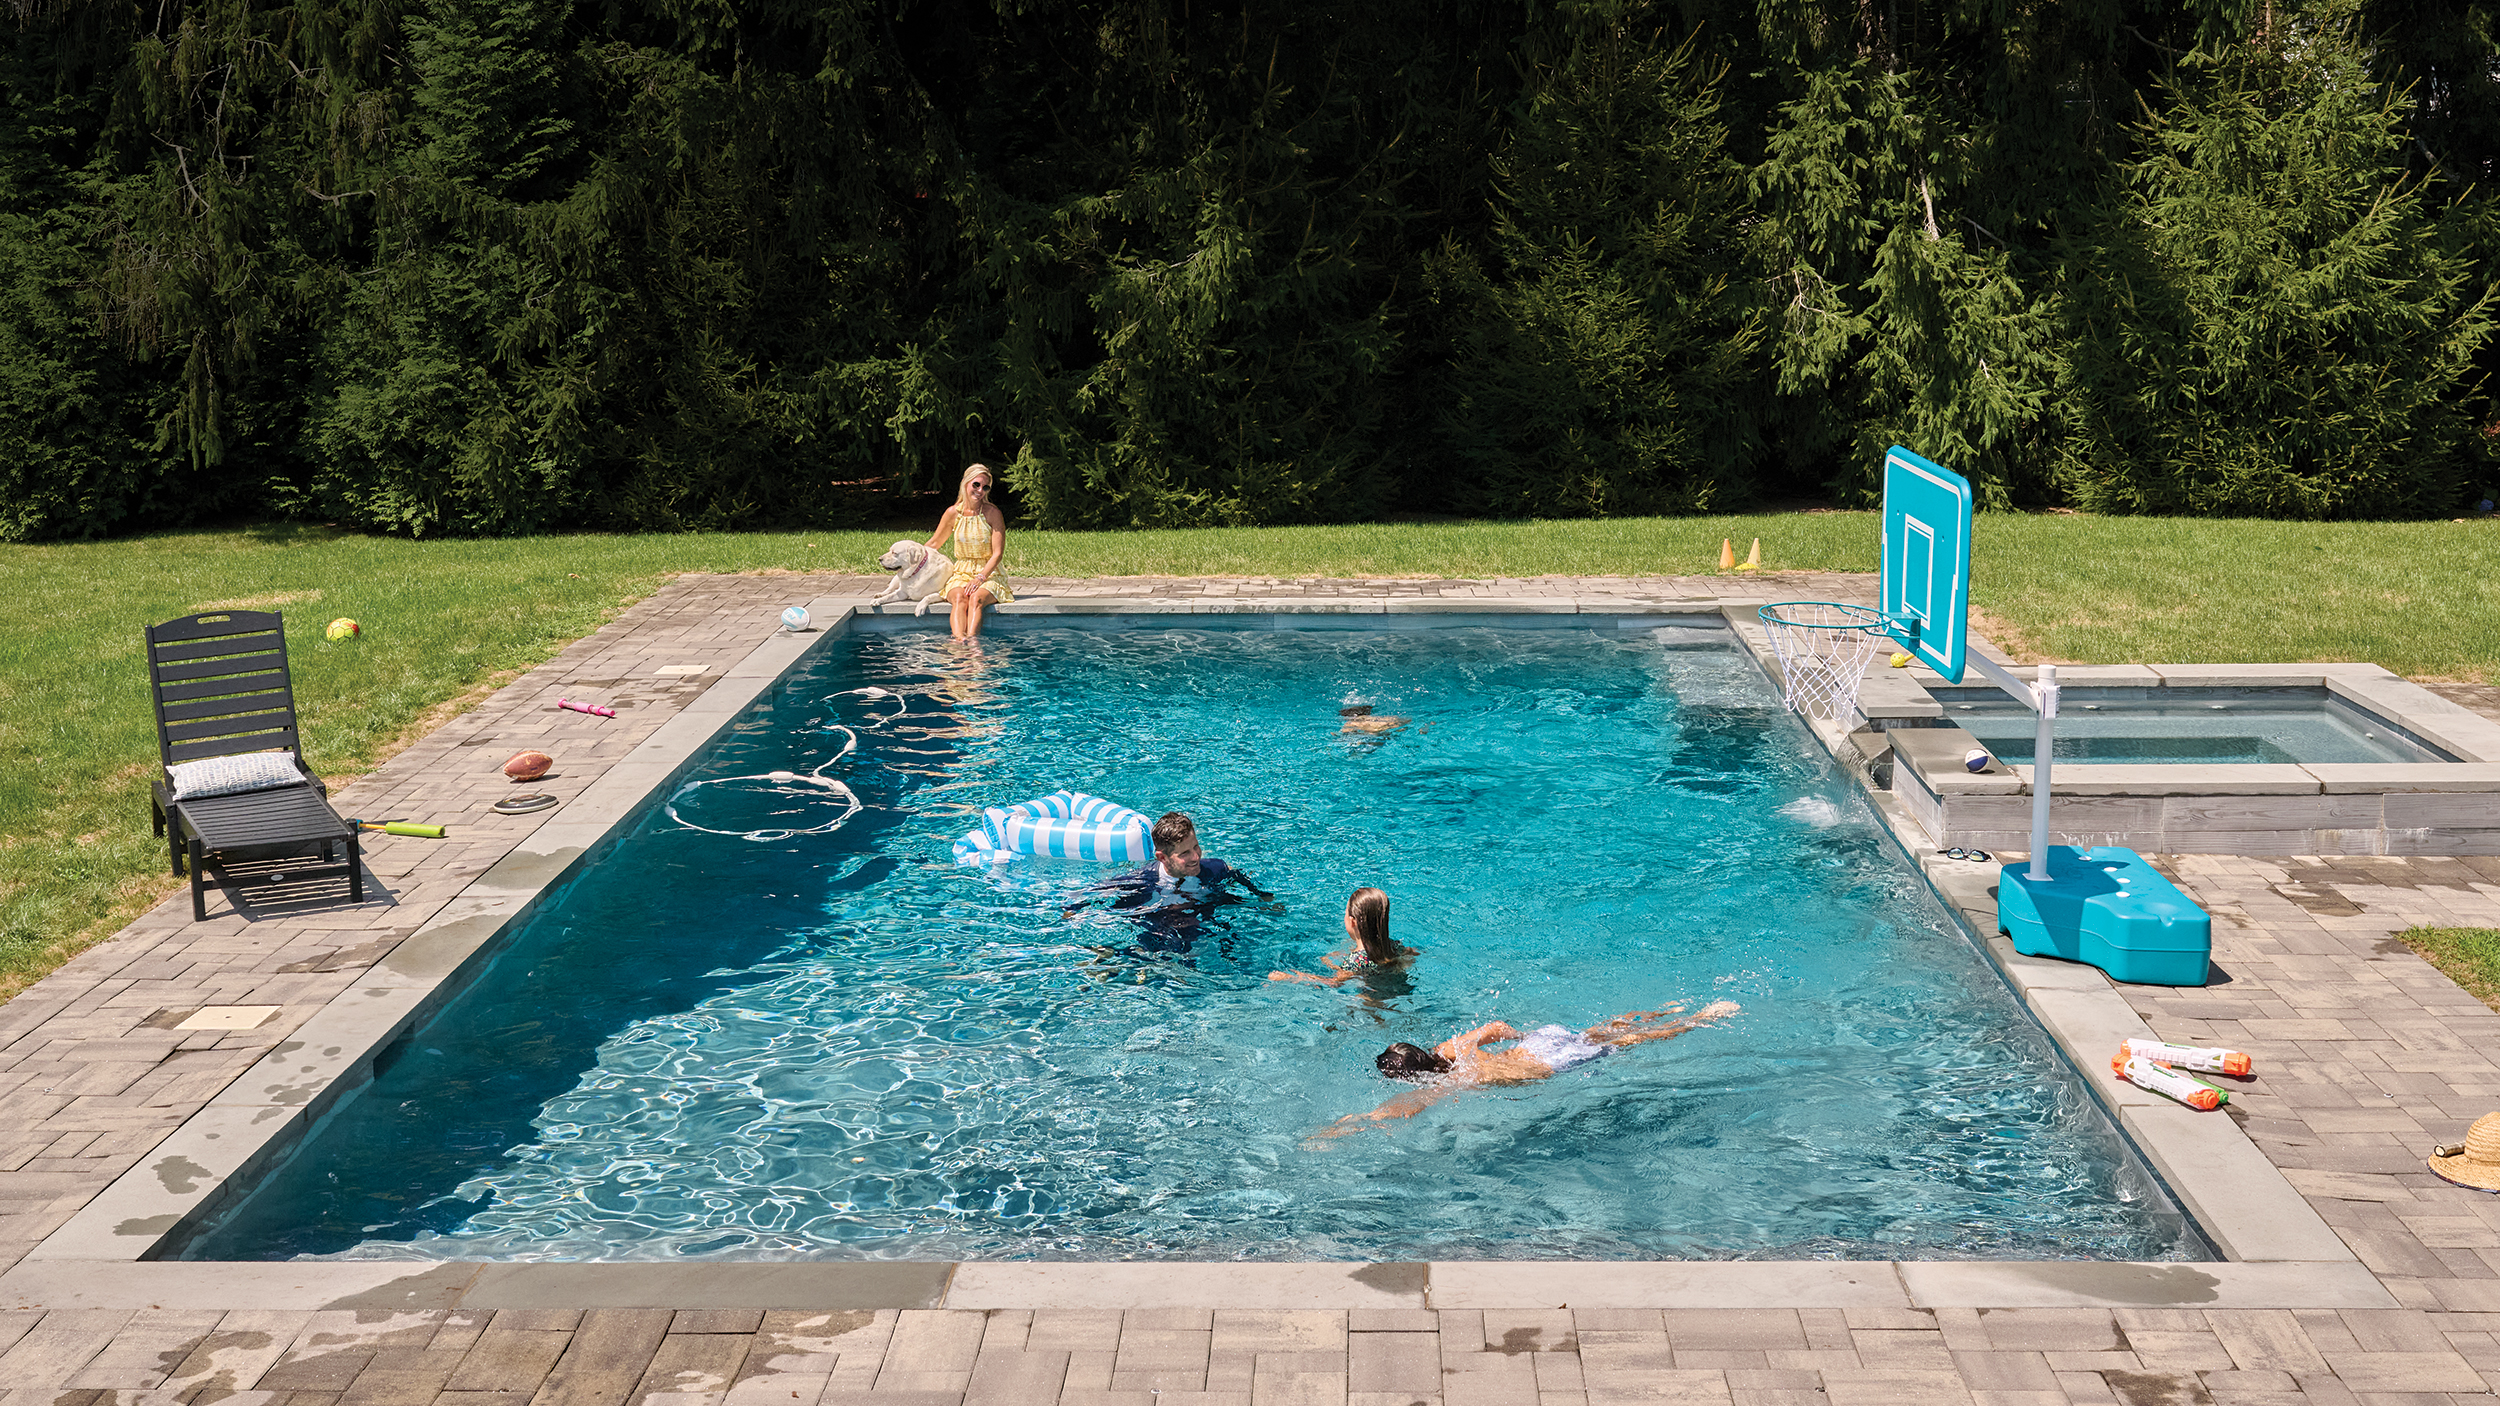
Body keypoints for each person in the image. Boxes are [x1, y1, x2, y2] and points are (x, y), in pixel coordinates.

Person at [1312, 1001, 1741, 1138]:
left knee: (1624, 1042)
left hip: (1548, 1062)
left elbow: (1405, 1109)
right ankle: (1665, 1009)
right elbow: (1495, 1027)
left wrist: (1360, 1121)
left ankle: (1702, 1017)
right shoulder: (1451, 1049)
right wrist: (1518, 1038)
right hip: (1539, 1042)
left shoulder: (1458, 1079)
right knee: (1603, 1030)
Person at [1072, 811, 1273, 957]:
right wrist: (1072, 910)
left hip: (1198, 915)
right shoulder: (1142, 880)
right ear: (1163, 857)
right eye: (1185, 853)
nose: (1196, 857)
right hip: (1158, 921)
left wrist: (1263, 897)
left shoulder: (1214, 868)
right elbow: (1094, 893)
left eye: (1196, 847)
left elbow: (1236, 875)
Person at [924, 463, 1013, 639]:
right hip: (961, 572)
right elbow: (934, 544)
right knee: (959, 598)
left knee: (976, 599)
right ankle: (959, 642)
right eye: (976, 484)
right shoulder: (952, 513)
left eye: (985, 487)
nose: (980, 490)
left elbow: (997, 554)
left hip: (989, 573)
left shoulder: (993, 513)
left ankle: (972, 643)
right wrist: (911, 562)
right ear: (966, 483)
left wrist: (980, 578)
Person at [1270, 887, 1416, 987]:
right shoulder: (1394, 946)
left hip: (1372, 1003)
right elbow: (1412, 953)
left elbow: (1333, 982)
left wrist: (1290, 977)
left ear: (1352, 921)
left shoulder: (1354, 962)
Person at [1338, 703, 1410, 737]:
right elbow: (1409, 720)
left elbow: (1339, 736)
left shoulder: (1351, 723)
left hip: (1370, 738)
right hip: (1384, 730)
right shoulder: (1387, 718)